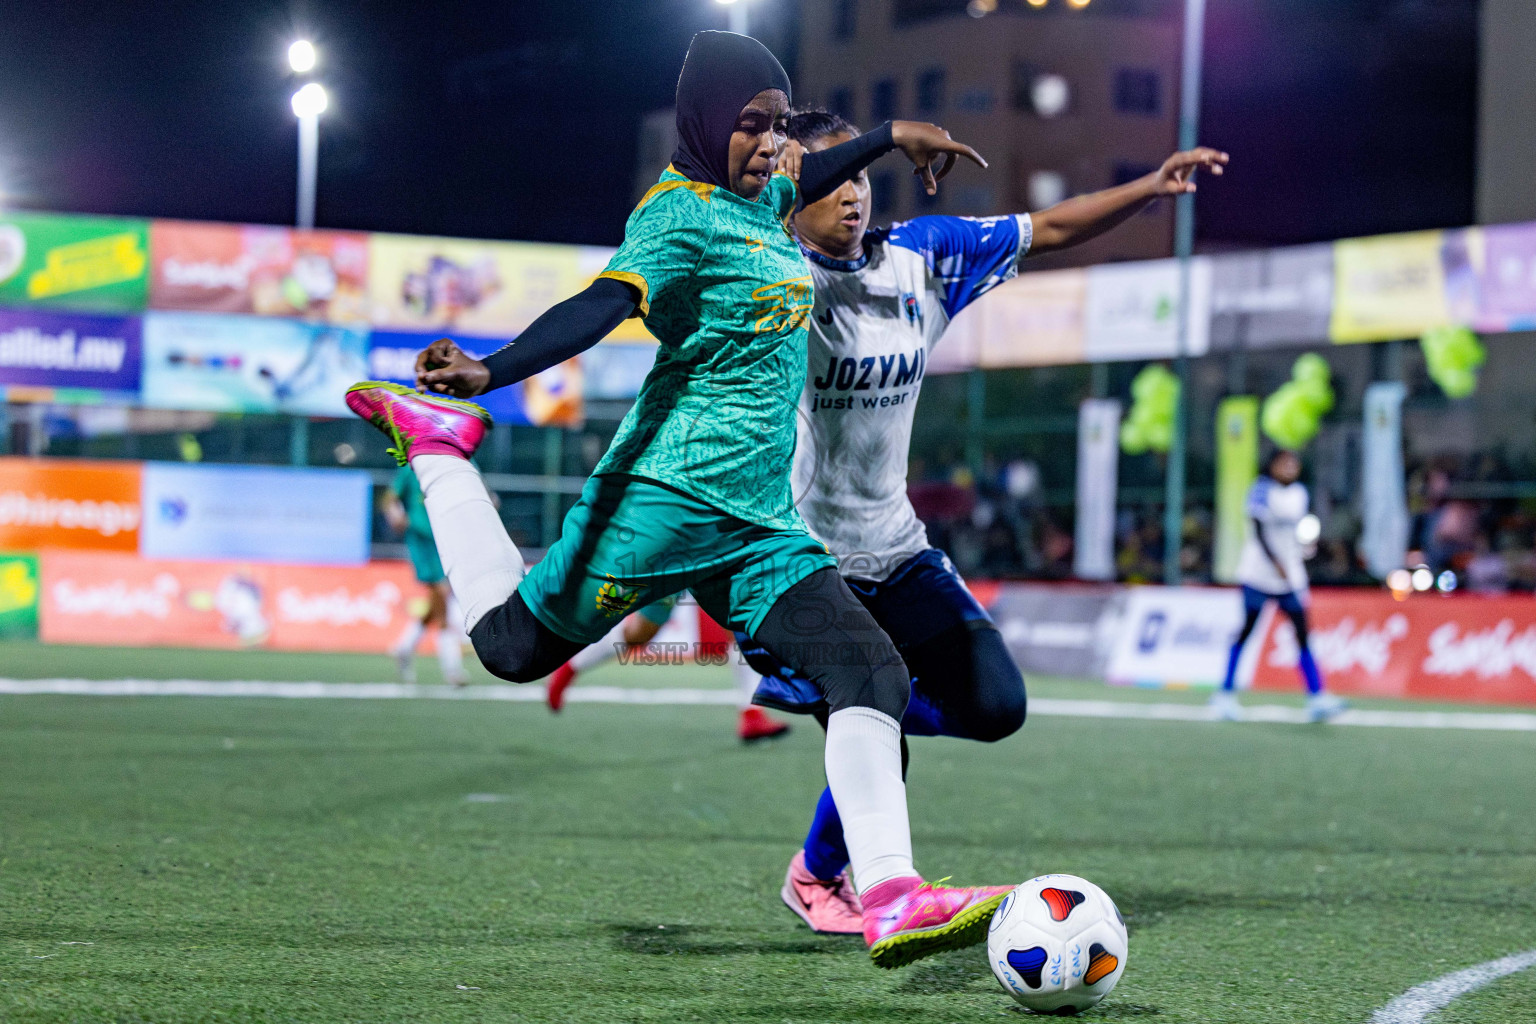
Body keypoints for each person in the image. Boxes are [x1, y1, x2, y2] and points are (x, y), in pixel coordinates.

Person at [344, 31, 1008, 969]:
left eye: (778, 127)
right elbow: (602, 302)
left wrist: (894, 133)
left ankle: (891, 896)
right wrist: (490, 370)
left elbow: (819, 162)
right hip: (662, 496)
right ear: (702, 124)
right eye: (750, 126)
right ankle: (441, 452)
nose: (771, 146)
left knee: (875, 675)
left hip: (761, 528)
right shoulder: (678, 216)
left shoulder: (770, 193)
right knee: (509, 649)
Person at [749, 109, 1232, 935]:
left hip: (896, 548)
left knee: (996, 706)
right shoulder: (766, 274)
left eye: (862, 177)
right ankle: (820, 873)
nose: (852, 196)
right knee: (877, 724)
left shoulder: (924, 257)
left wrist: (1152, 187)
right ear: (791, 194)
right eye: (830, 182)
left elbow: (1047, 227)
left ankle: (853, 716)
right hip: (805, 564)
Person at [543, 597, 792, 744]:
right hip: (675, 541)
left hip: (717, 541)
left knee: (740, 622)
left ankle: (752, 714)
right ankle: (570, 668)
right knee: (639, 632)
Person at [1213, 450, 1345, 723]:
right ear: (1272, 465)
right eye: (1284, 463)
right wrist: (1275, 563)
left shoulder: (1299, 493)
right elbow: (1259, 531)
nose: (1289, 468)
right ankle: (1225, 694)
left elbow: (1299, 532)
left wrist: (1302, 552)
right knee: (1246, 631)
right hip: (1258, 575)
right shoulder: (1261, 491)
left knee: (1302, 634)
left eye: (1293, 464)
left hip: (1290, 578)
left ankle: (1317, 696)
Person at [382, 464, 469, 686]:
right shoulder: (413, 466)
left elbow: (476, 487)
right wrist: (396, 515)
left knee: (437, 600)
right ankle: (452, 669)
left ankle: (404, 647)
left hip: (448, 538)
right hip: (422, 541)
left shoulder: (455, 460)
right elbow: (390, 497)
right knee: (441, 597)